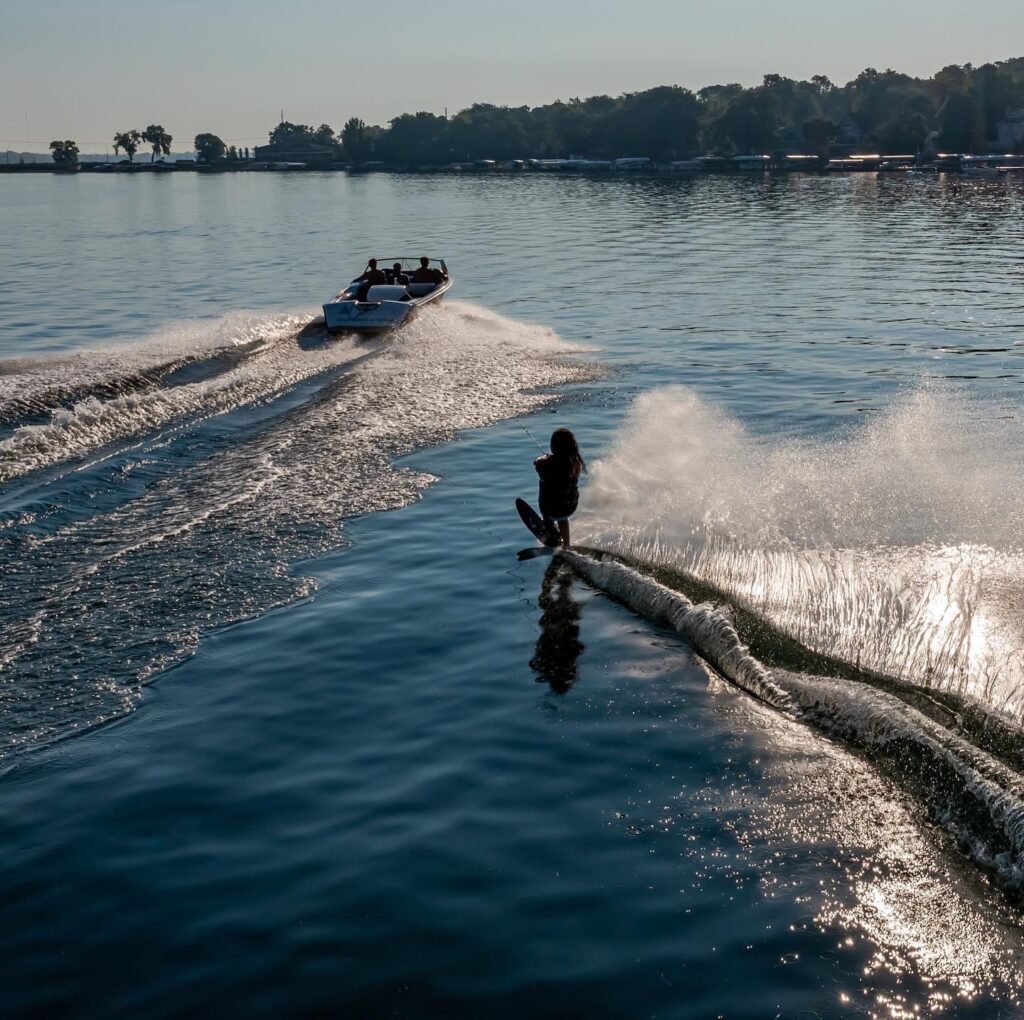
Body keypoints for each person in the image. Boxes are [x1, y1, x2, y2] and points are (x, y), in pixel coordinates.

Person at [534, 427, 585, 548]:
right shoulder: (576, 462)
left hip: (551, 510)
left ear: (554, 447)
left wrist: (541, 458)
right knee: (562, 517)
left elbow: (537, 464)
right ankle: (567, 544)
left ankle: (551, 529)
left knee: (548, 494)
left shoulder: (547, 463)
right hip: (569, 508)